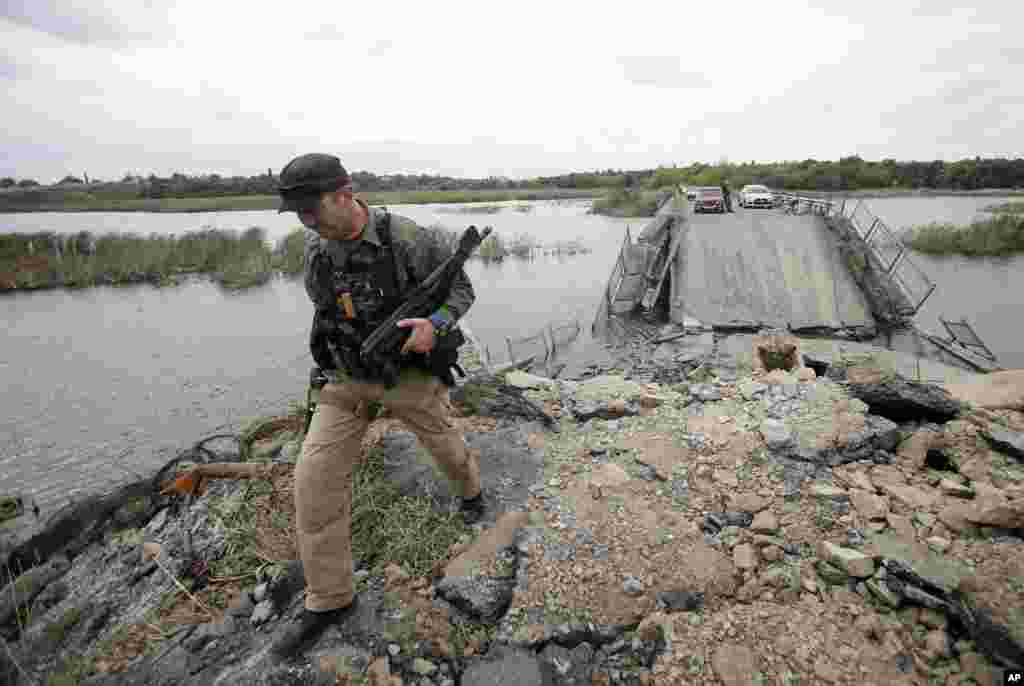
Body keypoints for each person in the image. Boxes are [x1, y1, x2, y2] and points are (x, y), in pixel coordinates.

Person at [270, 153, 485, 659]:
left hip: (407, 376)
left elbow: (461, 290)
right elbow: (324, 307)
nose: (305, 220)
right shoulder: (316, 250)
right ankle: (329, 599)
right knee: (313, 479)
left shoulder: (407, 238)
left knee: (447, 449)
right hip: (347, 380)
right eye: (296, 211)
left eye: (311, 207)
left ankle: (473, 496)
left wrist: (435, 326)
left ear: (345, 195)